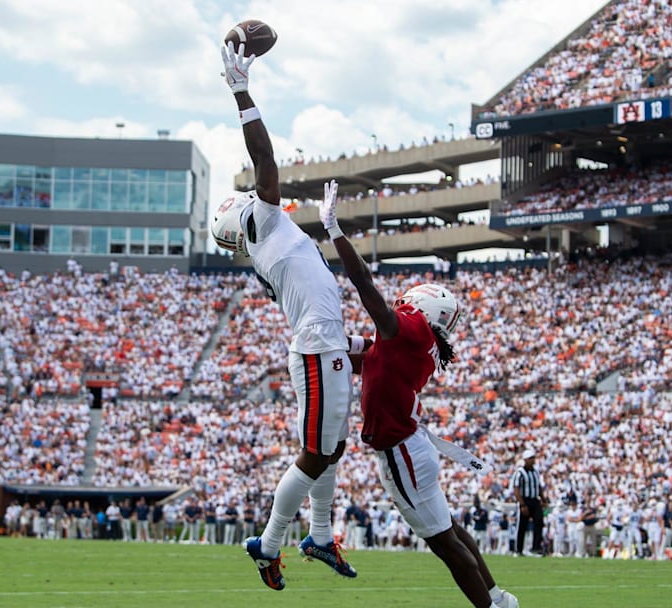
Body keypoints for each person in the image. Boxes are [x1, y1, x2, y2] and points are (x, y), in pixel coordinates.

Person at [319, 181, 517, 608]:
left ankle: (490, 607)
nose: (400, 304)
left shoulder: (412, 329)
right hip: (410, 446)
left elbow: (366, 288)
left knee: (444, 542)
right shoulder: (414, 342)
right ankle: (498, 598)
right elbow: (365, 356)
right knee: (451, 531)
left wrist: (336, 232)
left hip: (401, 451)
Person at [214, 42, 356, 591]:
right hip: (318, 347)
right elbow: (265, 162)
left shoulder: (267, 242)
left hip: (326, 343)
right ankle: (268, 542)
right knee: (317, 451)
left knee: (332, 448)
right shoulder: (266, 225)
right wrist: (242, 92)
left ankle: (318, 534)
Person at [511, 449, 547, 557]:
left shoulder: (535, 472)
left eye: (533, 458)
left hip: (535, 500)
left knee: (539, 522)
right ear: (525, 460)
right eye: (531, 458)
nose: (533, 460)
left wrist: (543, 499)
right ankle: (518, 549)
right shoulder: (520, 472)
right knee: (522, 525)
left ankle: (535, 548)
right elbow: (516, 489)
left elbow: (538, 486)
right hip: (525, 499)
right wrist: (522, 504)